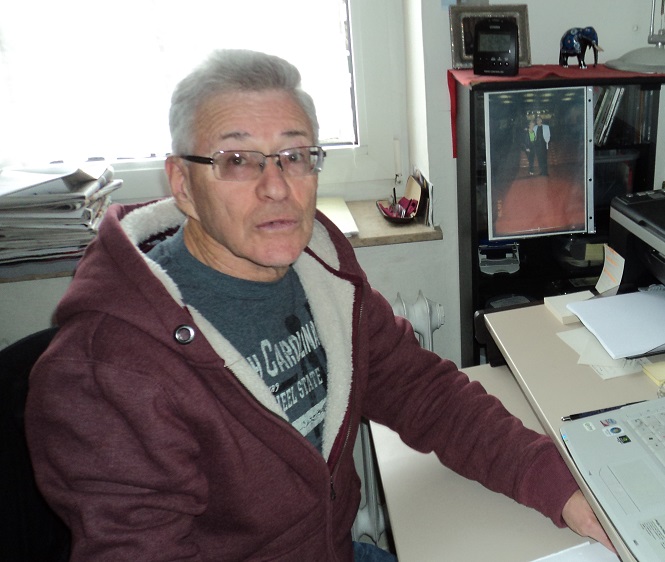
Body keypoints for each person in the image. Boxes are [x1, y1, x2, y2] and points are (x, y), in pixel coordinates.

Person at [25, 49, 613, 561]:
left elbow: (422, 391)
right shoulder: (105, 370)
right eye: (237, 160)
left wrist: (558, 485)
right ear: (182, 184)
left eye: (295, 155)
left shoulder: (319, 272)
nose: (276, 187)